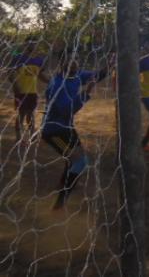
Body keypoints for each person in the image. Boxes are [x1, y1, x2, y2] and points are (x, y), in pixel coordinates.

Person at [42, 56, 107, 210]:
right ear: (62, 64)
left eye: (75, 60)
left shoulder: (76, 75)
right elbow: (67, 111)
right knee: (79, 162)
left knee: (74, 159)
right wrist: (87, 92)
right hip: (54, 131)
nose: (74, 63)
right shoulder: (56, 85)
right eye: (69, 62)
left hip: (67, 128)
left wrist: (109, 66)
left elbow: (96, 75)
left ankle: (63, 184)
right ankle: (59, 205)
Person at [9, 39, 48, 142]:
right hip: (20, 92)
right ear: (25, 45)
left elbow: (40, 75)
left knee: (31, 114)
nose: (32, 45)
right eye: (29, 43)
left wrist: (50, 82)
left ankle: (32, 135)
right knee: (21, 114)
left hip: (32, 92)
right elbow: (10, 74)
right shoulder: (18, 58)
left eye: (34, 43)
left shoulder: (39, 60)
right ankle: (18, 137)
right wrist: (15, 86)